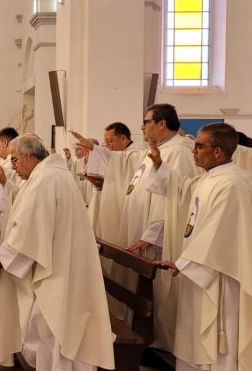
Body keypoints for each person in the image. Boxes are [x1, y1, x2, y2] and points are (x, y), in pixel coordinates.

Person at [147, 123, 252, 371]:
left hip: (221, 278)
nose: (194, 151)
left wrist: (183, 262)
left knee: (219, 343)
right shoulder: (208, 179)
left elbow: (219, 234)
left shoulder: (233, 185)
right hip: (199, 273)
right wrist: (160, 166)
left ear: (217, 151)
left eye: (199, 146)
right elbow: (180, 193)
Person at [0, 135, 115, 371]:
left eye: (14, 159)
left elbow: (30, 230)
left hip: (60, 277)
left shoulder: (46, 179)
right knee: (54, 338)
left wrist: (1, 257)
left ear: (29, 156)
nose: (12, 165)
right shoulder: (48, 175)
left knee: (58, 336)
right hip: (62, 269)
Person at [74, 104, 199, 352]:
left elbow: (177, 200)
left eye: (146, 122)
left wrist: (152, 235)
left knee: (159, 295)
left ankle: (162, 345)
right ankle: (146, 337)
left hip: (157, 240)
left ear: (162, 123)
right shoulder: (154, 151)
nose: (142, 127)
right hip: (139, 227)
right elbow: (124, 168)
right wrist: (97, 154)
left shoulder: (180, 153)